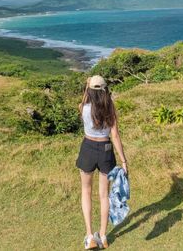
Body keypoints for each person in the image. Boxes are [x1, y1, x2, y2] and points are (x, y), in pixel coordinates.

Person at [75, 75, 128, 250]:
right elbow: (115, 136)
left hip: (88, 148)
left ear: (89, 90)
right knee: (104, 195)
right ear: (105, 90)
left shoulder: (84, 107)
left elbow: (84, 99)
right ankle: (103, 236)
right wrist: (123, 160)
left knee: (86, 191)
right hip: (106, 149)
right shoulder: (110, 108)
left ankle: (90, 236)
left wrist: (87, 86)